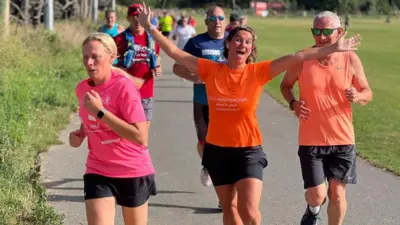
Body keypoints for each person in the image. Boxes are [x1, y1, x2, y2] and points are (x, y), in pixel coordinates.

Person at [136, 3, 361, 225]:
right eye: (238, 40)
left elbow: (296, 57)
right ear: (228, 44)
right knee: (230, 209)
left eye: (248, 42)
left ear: (251, 49)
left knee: (250, 213)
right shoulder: (211, 69)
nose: (243, 44)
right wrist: (150, 28)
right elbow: (174, 52)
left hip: (248, 151)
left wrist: (333, 48)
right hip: (217, 151)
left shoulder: (258, 72)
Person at [280, 11, 372, 225]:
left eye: (326, 32)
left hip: (342, 138)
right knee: (318, 195)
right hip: (311, 139)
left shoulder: (350, 58)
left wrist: (357, 95)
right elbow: (285, 86)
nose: (321, 37)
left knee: (338, 195)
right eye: (316, 31)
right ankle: (313, 210)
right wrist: (293, 103)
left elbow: (368, 91)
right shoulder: (303, 58)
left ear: (339, 32)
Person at [70, 32, 156, 225]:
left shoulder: (124, 87)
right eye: (86, 57)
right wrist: (81, 133)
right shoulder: (82, 89)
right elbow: (88, 118)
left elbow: (141, 137)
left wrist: (100, 113)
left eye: (95, 57)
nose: (89, 63)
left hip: (132, 169)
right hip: (98, 168)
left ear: (111, 57)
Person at [173, 6, 227, 190]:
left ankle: (224, 187)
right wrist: (193, 77)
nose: (217, 21)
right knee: (204, 141)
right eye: (213, 18)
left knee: (226, 145)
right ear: (206, 22)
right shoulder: (196, 43)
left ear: (225, 20)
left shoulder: (233, 41)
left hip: (228, 104)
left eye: (220, 18)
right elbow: (177, 67)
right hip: (202, 101)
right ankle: (208, 164)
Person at [114, 3, 162, 128]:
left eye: (140, 16)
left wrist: (158, 67)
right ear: (128, 18)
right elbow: (110, 66)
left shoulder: (152, 39)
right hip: (126, 92)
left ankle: (141, 148)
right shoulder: (118, 40)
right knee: (128, 129)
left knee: (143, 130)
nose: (138, 20)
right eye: (134, 16)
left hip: (147, 90)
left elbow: (157, 58)